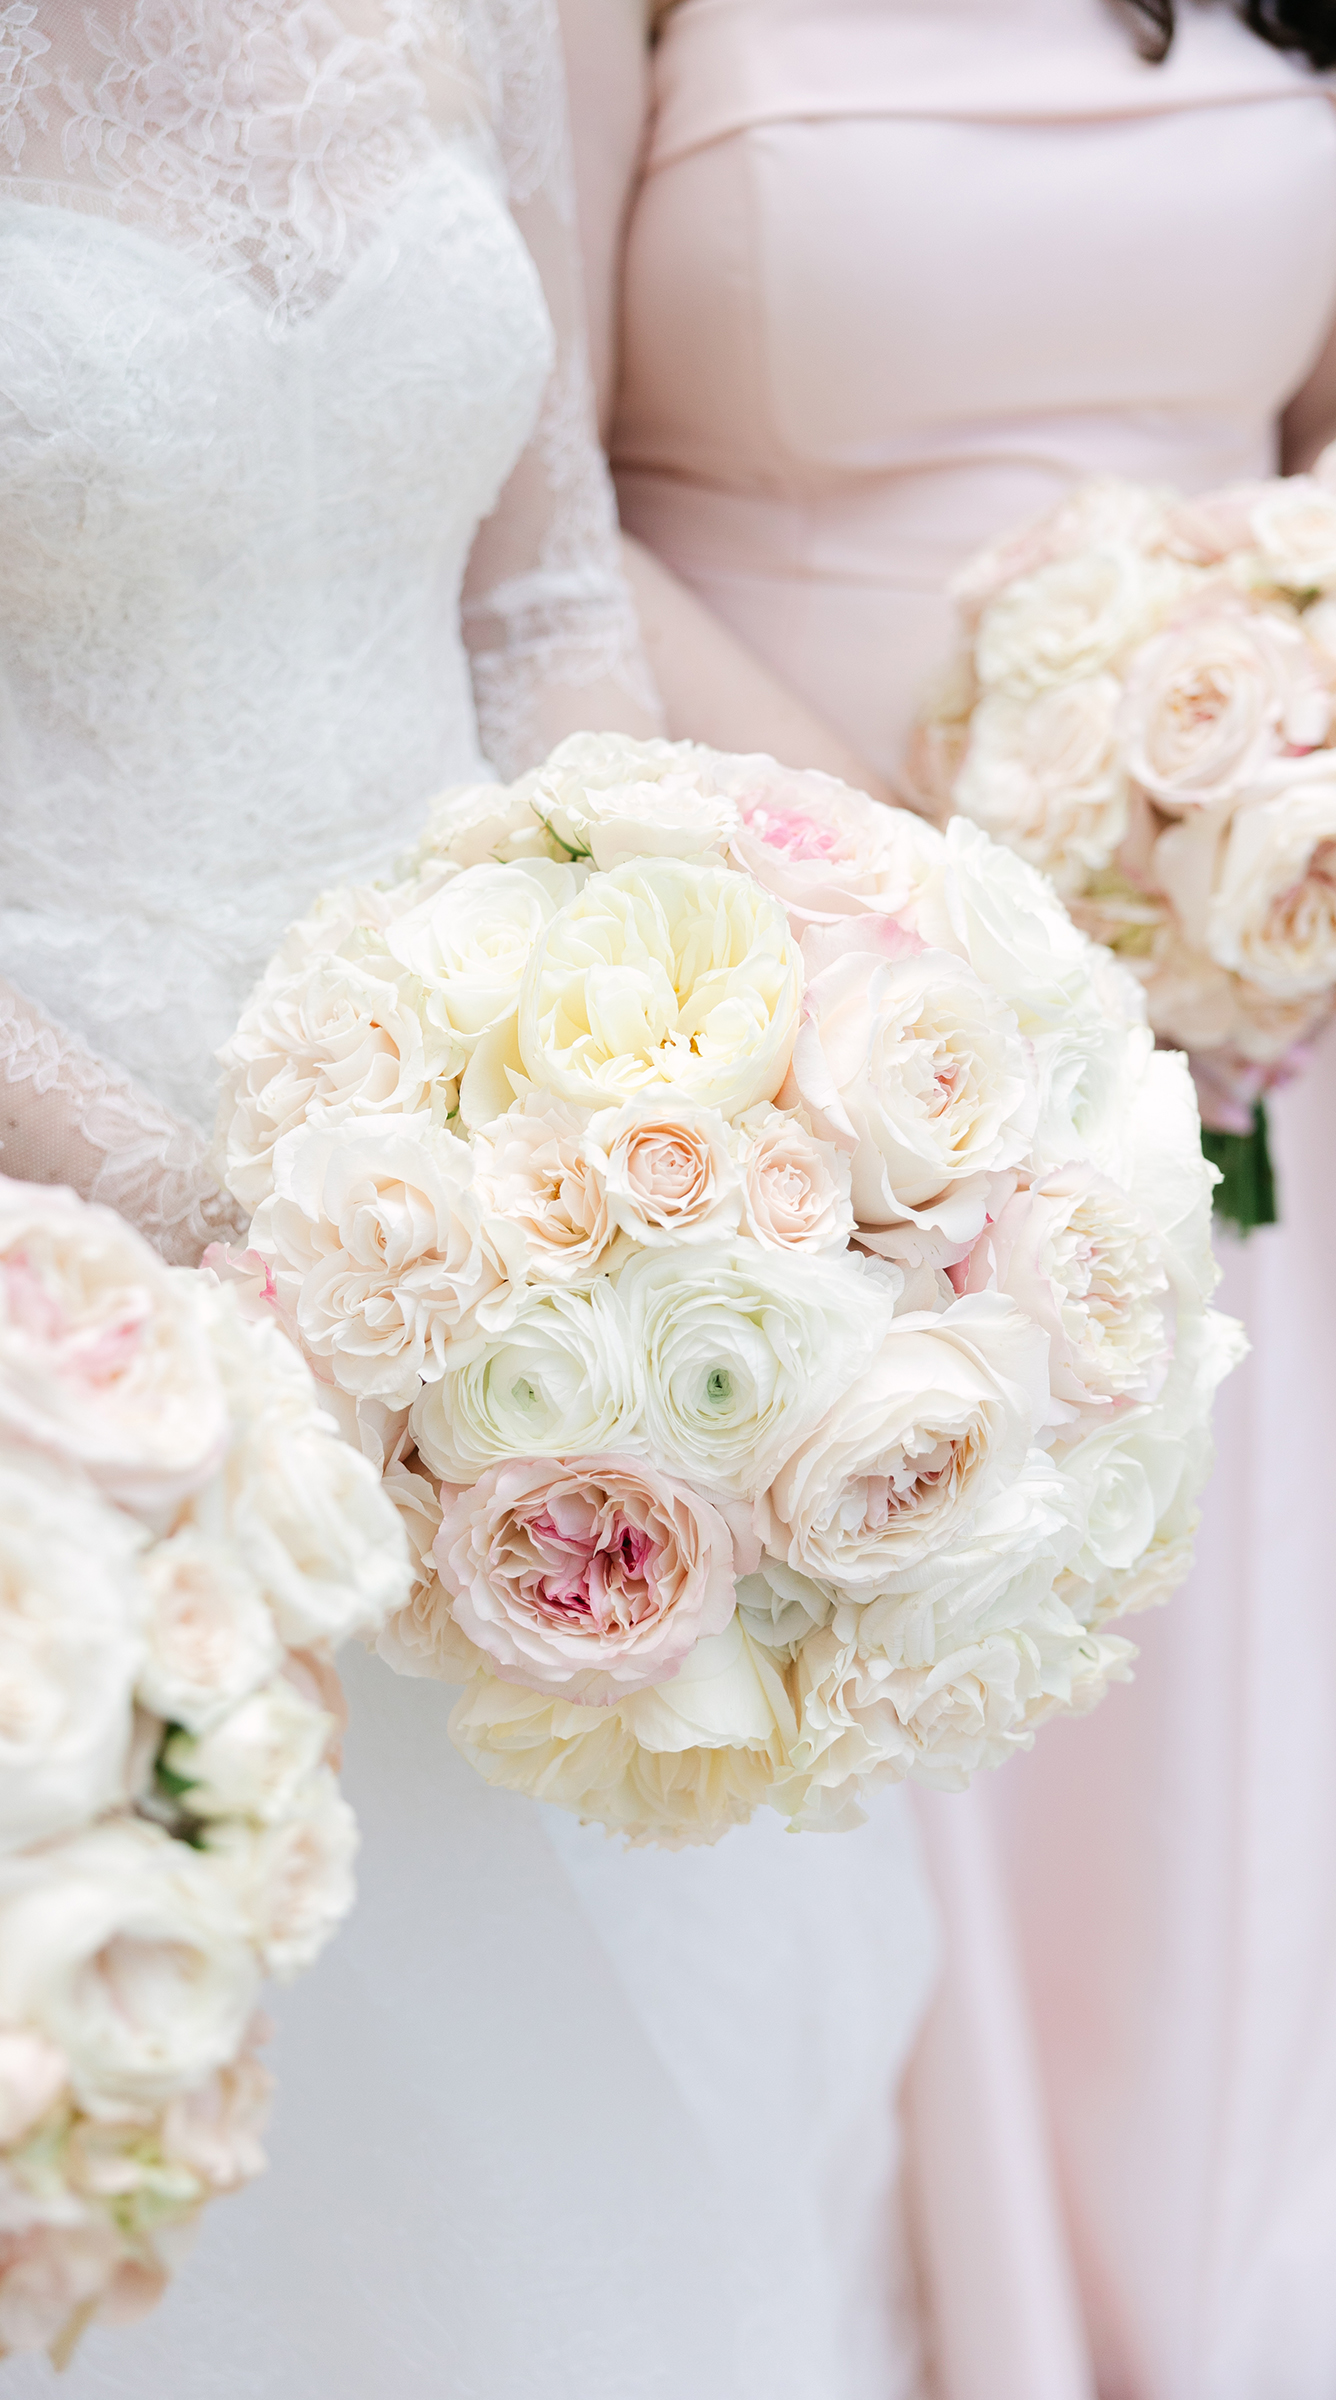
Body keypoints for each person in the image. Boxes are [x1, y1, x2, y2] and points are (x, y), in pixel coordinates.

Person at [0, 9, 938, 2398]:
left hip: (546, 1288)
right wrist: (222, 1244)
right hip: (28, 1333)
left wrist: (684, 1098)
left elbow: (538, 621)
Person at [558, 2, 1336, 2395]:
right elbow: (522, 486)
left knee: (1225, 1785)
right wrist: (967, 939)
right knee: (921, 1724)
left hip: (1252, 1022)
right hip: (800, 1045)